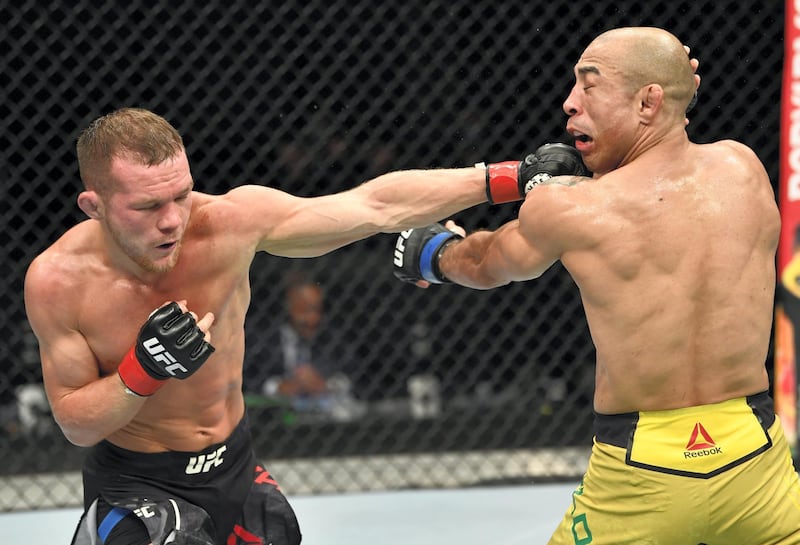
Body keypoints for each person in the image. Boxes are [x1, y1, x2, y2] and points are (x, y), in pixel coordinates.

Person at [22, 107, 586, 545]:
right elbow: (76, 423)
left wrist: (509, 177)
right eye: (147, 207)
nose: (173, 220)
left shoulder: (226, 224)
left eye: (180, 195)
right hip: (137, 480)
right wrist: (141, 371)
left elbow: (373, 205)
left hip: (234, 465)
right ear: (93, 206)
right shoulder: (59, 281)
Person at [393, 27, 800, 544]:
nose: (569, 104)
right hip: (757, 467)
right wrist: (671, 81)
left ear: (646, 103)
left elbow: (487, 262)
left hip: (637, 476)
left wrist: (434, 251)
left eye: (589, 86)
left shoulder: (575, 206)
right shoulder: (744, 169)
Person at [244, 270, 359, 419]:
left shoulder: (331, 337)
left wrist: (325, 385)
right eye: (304, 311)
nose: (312, 319)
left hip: (325, 412)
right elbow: (247, 378)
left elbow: (354, 374)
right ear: (288, 308)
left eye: (317, 310)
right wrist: (279, 387)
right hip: (276, 416)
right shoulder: (263, 340)